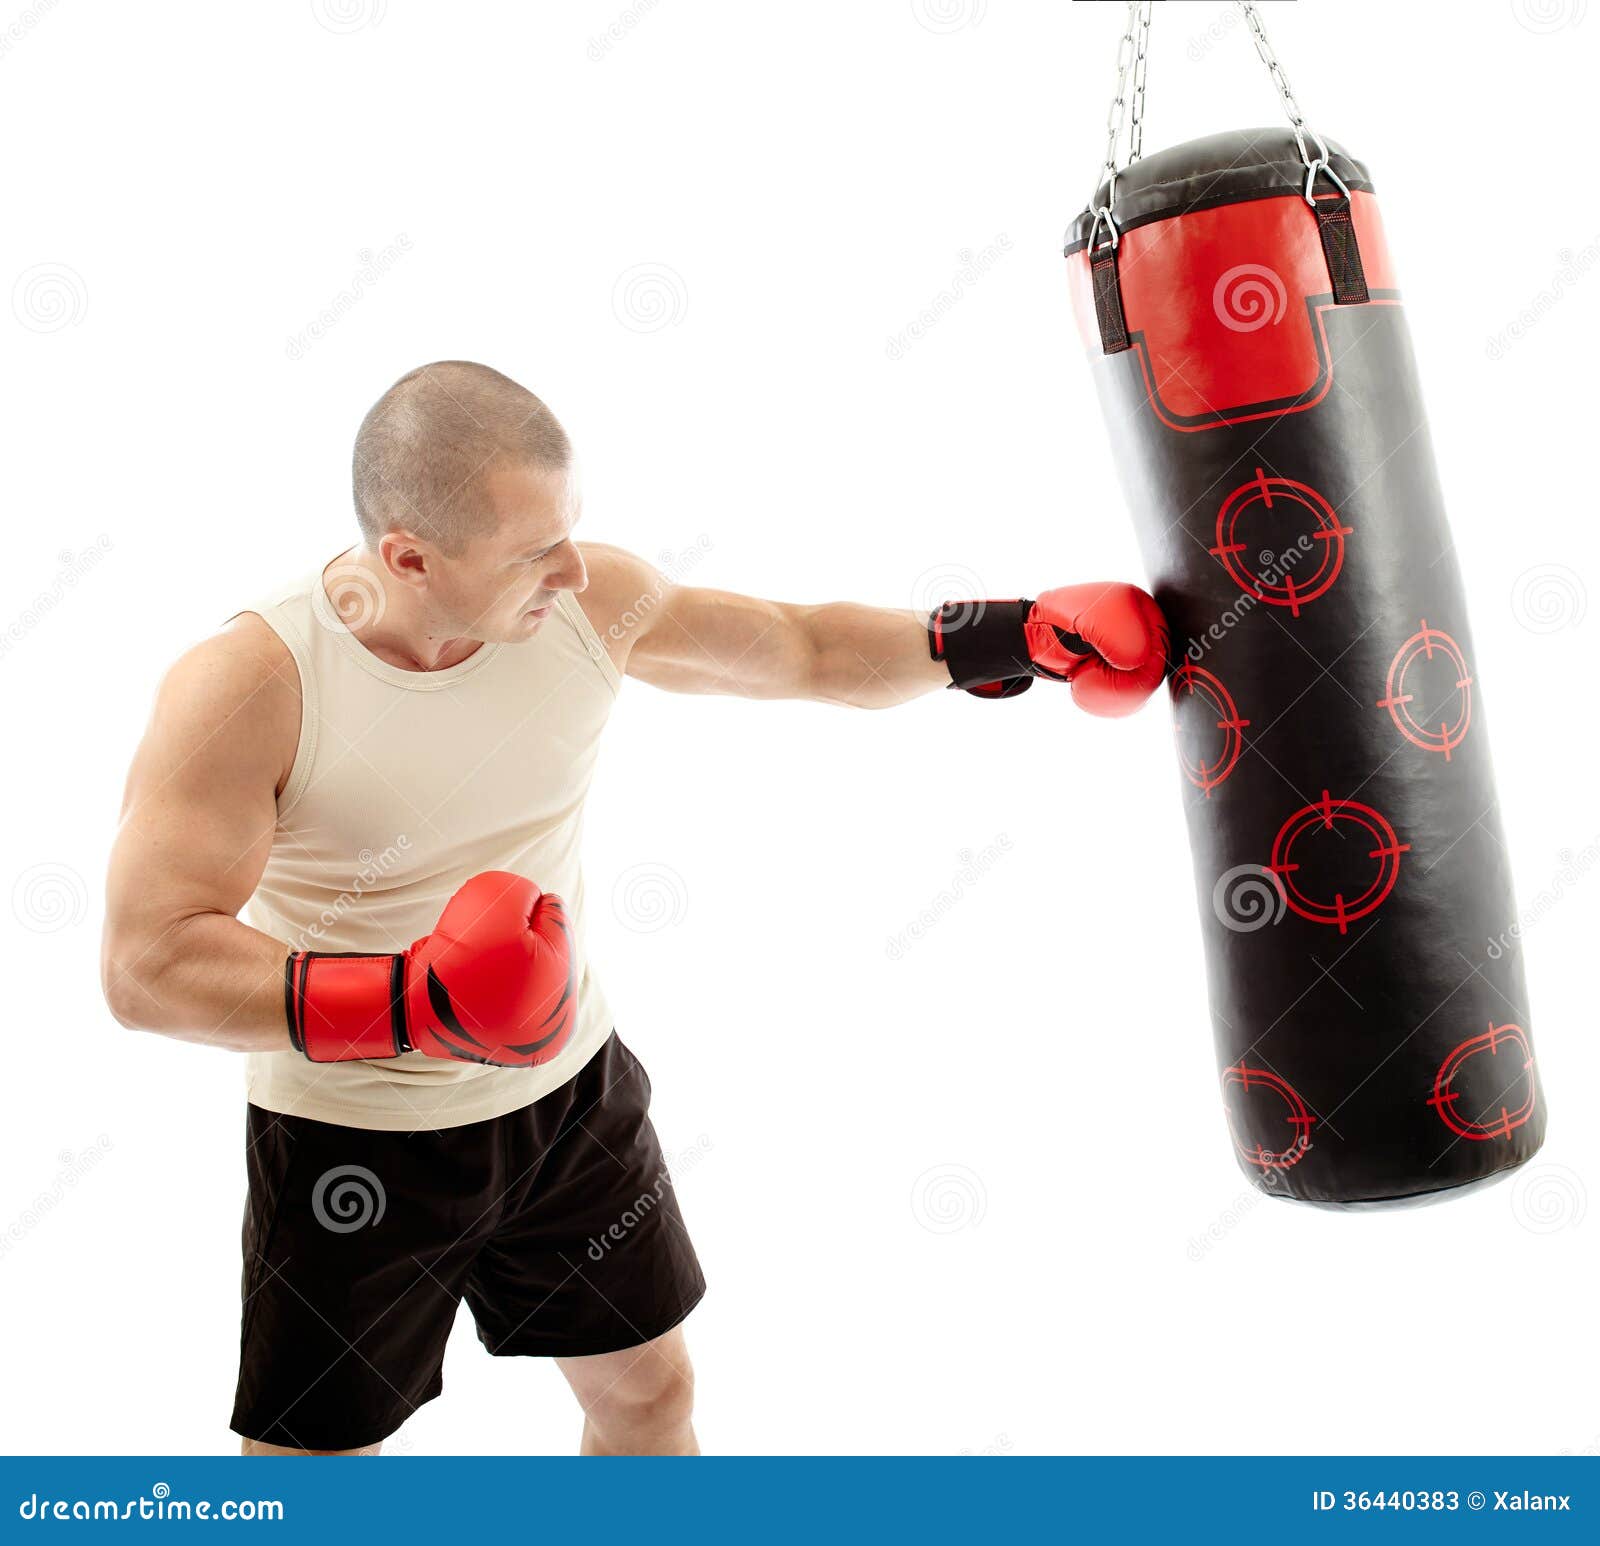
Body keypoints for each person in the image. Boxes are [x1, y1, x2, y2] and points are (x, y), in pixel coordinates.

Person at [100, 360, 1168, 1456]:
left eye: (569, 533)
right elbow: (147, 965)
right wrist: (413, 1002)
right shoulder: (251, 684)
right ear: (409, 557)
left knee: (649, 1399)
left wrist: (1010, 635)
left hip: (568, 1102)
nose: (569, 568)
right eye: (531, 552)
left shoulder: (584, 601)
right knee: (316, 1471)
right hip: (356, 1146)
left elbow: (800, 649)